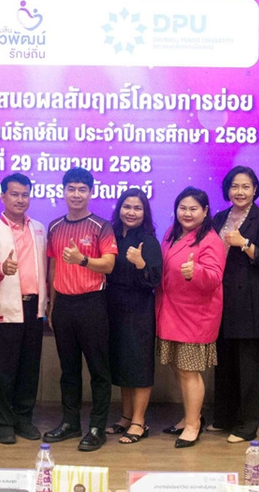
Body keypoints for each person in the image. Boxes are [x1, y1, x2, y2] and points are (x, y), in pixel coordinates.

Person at [43, 167, 117, 452]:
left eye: (82, 189)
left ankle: (97, 427)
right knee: (69, 369)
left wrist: (82, 260)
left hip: (92, 304)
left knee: (99, 370)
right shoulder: (54, 226)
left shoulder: (101, 226)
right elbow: (52, 267)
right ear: (63, 192)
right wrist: (52, 304)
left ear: (90, 193)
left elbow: (108, 265)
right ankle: (70, 423)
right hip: (64, 305)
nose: (76, 194)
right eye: (71, 189)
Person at [0, 173, 48, 445]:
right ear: (3, 196)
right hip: (4, 309)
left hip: (34, 308)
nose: (20, 199)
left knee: (30, 368)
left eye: (25, 194)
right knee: (5, 370)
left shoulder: (39, 229)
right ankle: (5, 423)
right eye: (14, 194)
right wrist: (1, 268)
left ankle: (23, 420)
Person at [210, 166, 259, 443]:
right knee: (224, 362)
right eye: (235, 186)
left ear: (255, 190)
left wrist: (244, 243)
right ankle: (224, 417)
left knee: (248, 367)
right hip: (221, 299)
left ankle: (247, 426)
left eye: (246, 186)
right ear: (227, 189)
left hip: (250, 300)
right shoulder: (219, 217)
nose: (240, 192)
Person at [156, 187, 225, 449]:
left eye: (193, 208)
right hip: (170, 311)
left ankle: (194, 425)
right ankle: (189, 417)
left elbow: (214, 278)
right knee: (179, 368)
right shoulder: (171, 233)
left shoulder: (211, 240)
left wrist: (195, 271)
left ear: (205, 211)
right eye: (182, 208)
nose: (187, 213)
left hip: (194, 316)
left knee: (189, 372)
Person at [104, 188, 162, 444]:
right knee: (122, 364)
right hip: (113, 307)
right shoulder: (112, 235)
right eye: (127, 207)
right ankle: (126, 417)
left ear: (144, 212)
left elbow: (155, 279)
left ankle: (139, 422)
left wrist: (141, 264)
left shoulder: (148, 241)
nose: (131, 212)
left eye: (137, 208)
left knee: (139, 366)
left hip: (139, 310)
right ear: (119, 209)